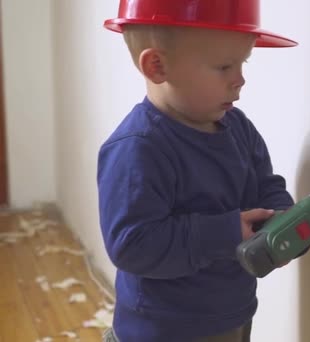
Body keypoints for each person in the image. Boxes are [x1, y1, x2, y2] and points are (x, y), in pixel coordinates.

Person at [97, 1, 299, 341]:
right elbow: (132, 245)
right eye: (224, 67)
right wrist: (225, 232)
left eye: (242, 63)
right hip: (164, 329)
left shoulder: (238, 128)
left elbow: (265, 184)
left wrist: (284, 219)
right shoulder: (138, 148)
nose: (240, 80)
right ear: (158, 66)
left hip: (233, 311)